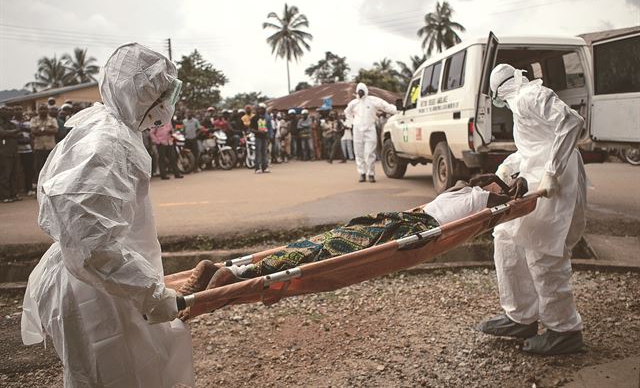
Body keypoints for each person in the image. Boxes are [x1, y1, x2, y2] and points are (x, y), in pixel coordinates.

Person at [20, 43, 195, 387]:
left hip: (109, 283)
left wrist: (146, 287)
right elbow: (90, 244)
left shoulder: (116, 130)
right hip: (92, 290)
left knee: (139, 369)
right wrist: (150, 293)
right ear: (138, 94)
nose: (165, 105)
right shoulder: (107, 142)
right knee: (112, 375)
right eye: (159, 94)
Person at [176, 174, 523, 321]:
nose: (492, 185)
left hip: (398, 220)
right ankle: (238, 276)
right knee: (326, 254)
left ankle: (233, 271)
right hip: (408, 228)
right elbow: (510, 198)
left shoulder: (460, 191)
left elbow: (500, 193)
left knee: (318, 245)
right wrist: (514, 187)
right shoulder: (480, 198)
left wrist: (503, 186)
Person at [476, 64, 587, 356]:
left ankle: (564, 331)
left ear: (500, 91)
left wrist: (552, 170)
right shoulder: (521, 105)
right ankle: (520, 316)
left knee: (544, 253)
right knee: (506, 237)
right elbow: (532, 148)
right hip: (541, 179)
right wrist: (505, 170)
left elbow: (572, 122)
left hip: (556, 183)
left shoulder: (529, 95)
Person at [344, 83, 397, 183]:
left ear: (365, 91)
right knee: (359, 153)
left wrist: (397, 110)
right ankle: (362, 173)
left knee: (369, 153)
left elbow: (385, 106)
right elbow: (347, 112)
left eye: (362, 90)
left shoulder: (372, 100)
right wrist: (352, 122)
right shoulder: (353, 103)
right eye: (358, 90)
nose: (360, 92)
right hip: (357, 130)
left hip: (370, 129)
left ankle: (371, 174)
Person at [30, 103, 58, 181]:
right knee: (39, 167)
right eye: (41, 109)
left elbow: (55, 130)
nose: (43, 111)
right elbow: (33, 131)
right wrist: (47, 130)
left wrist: (40, 130)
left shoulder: (52, 119)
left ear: (48, 110)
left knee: (51, 167)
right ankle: (40, 184)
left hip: (50, 147)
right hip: (39, 148)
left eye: (45, 109)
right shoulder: (34, 119)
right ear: (38, 111)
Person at [13, 107, 35, 196]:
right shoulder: (11, 122)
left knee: (28, 170)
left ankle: (29, 188)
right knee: (17, 171)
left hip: (28, 150)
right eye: (16, 109)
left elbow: (32, 135)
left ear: (22, 111)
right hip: (16, 150)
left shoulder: (28, 122)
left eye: (19, 109)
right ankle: (17, 190)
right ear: (14, 111)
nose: (18, 111)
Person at [0, 106, 21, 203]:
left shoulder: (12, 124)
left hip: (14, 152)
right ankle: (5, 196)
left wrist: (9, 134)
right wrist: (12, 133)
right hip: (4, 153)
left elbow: (19, 133)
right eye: (5, 111)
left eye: (8, 111)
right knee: (5, 175)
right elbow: (2, 133)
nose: (8, 112)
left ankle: (14, 194)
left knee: (14, 174)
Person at [250, 103, 271, 174]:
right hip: (258, 137)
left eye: (263, 109)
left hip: (264, 137)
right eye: (260, 109)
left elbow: (267, 127)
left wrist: (267, 133)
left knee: (264, 152)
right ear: (257, 109)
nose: (262, 110)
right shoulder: (254, 118)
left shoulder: (265, 118)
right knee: (258, 152)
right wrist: (258, 131)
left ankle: (265, 167)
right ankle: (257, 168)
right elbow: (251, 129)